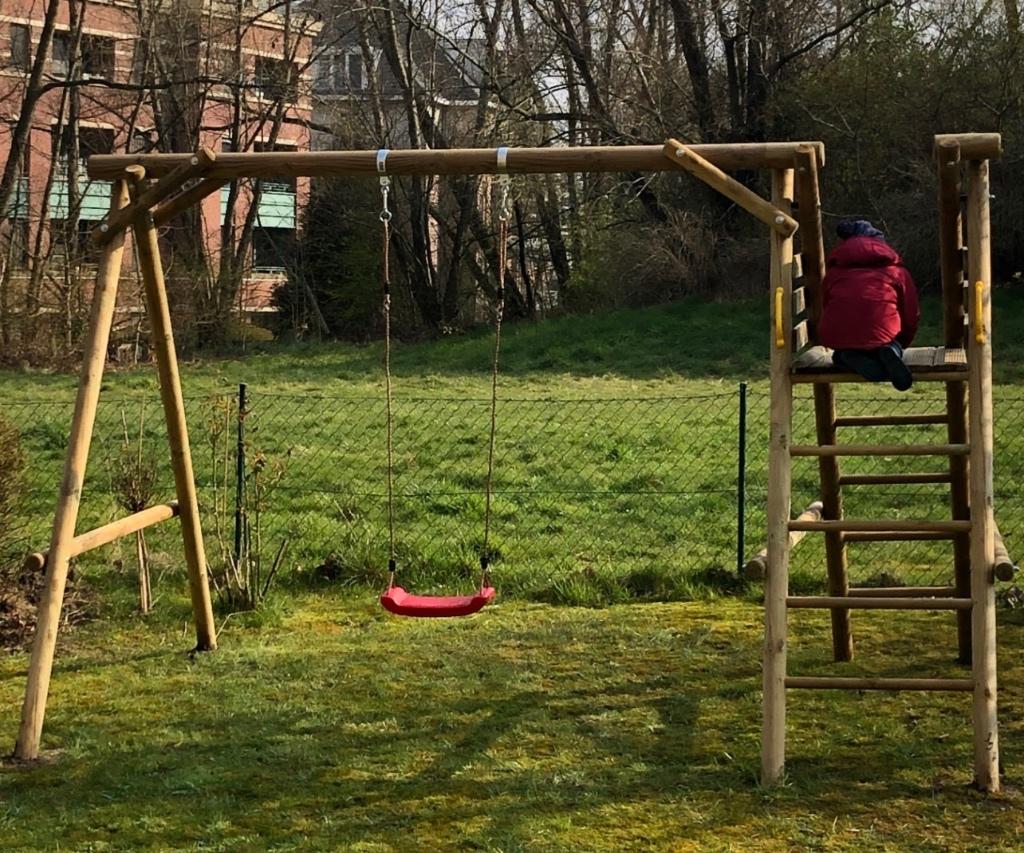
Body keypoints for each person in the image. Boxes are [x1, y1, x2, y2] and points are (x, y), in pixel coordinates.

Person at [817, 219, 920, 391]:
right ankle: (892, 351)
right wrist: (902, 341)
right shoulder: (896, 271)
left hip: (841, 336)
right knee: (889, 344)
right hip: (883, 333)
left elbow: (827, 305)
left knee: (840, 355)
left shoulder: (834, 273)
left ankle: (848, 356)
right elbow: (911, 313)